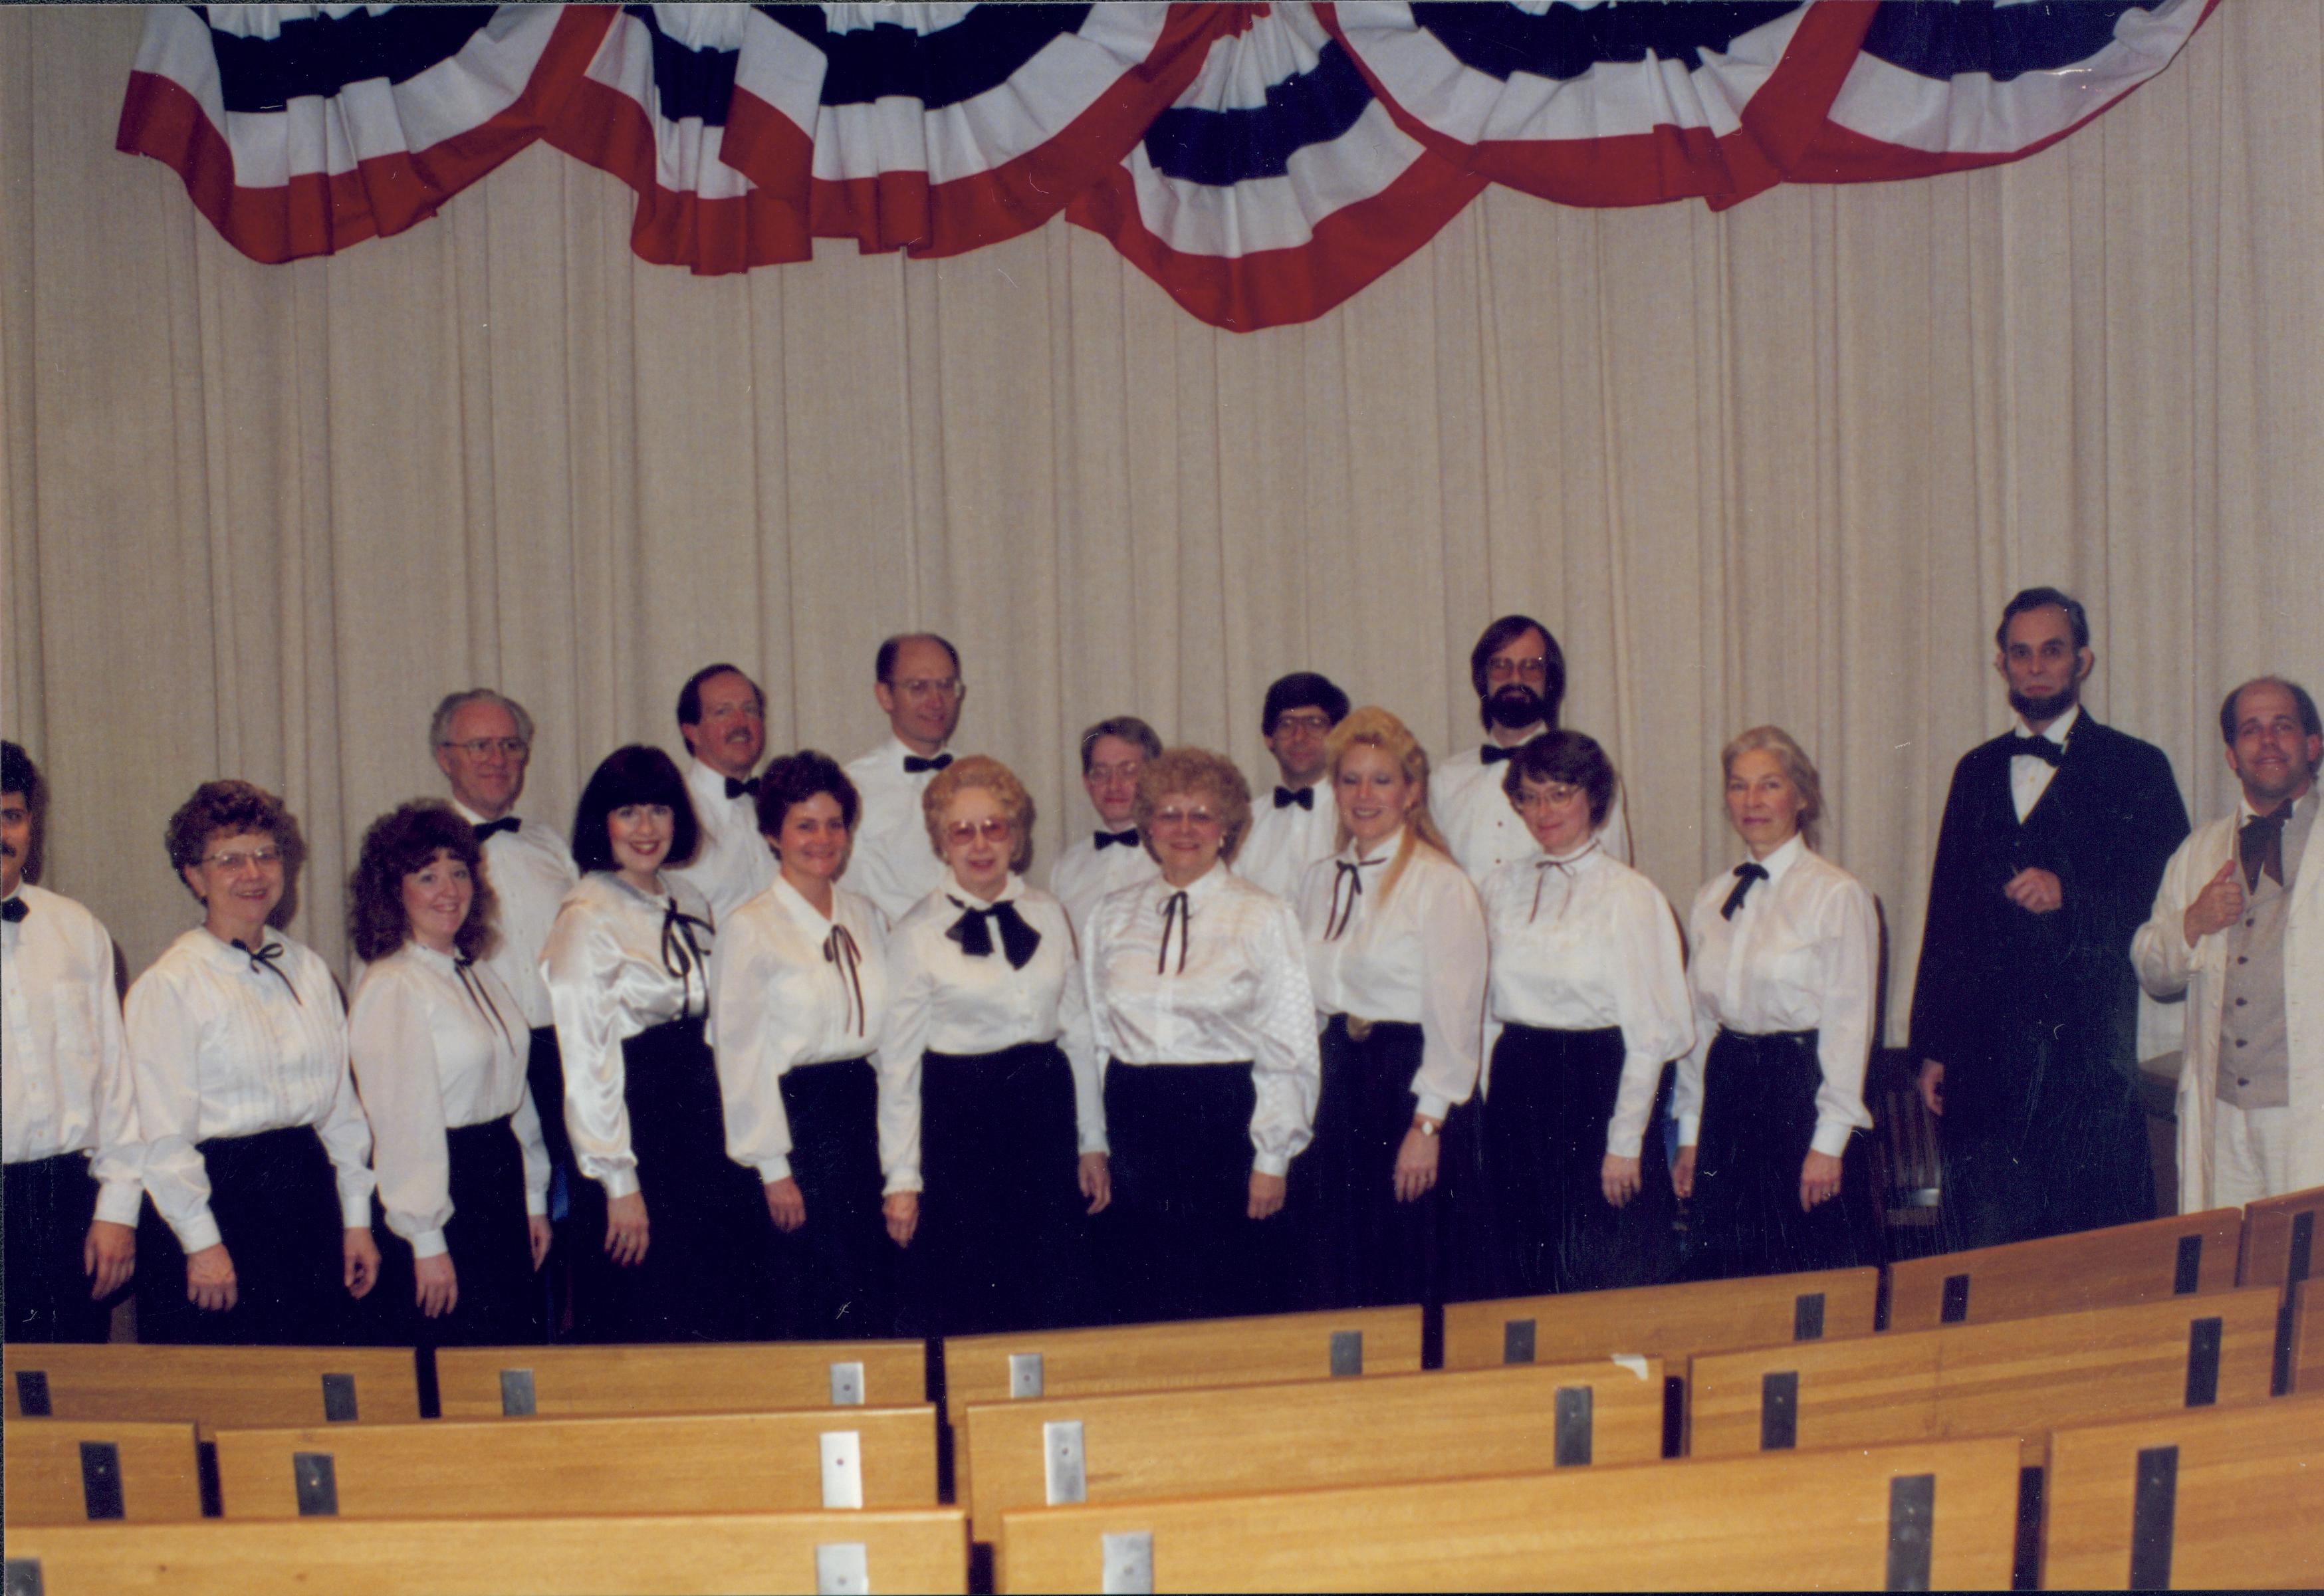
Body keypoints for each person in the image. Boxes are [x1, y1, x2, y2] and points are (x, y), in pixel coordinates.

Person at [1911, 587, 2188, 1249]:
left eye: (2052, 651)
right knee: (1984, 1254)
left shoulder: (2138, 767)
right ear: (2001, 666)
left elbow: (2172, 903)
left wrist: (2075, 895)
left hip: (2088, 1060)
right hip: (1983, 1061)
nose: (2035, 666)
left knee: (2094, 1254)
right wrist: (1931, 1046)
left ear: (2082, 661)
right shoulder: (1973, 771)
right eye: (2020, 653)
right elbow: (1945, 914)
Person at [128, 780, 380, 1344]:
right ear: (194, 876)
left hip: (306, 1193)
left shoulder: (309, 969)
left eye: (266, 854)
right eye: (230, 859)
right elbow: (160, 1135)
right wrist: (202, 1242)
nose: (253, 873)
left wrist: (357, 1220)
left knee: (315, 1379)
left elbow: (342, 1112)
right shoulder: (169, 984)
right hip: (220, 1204)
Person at [1082, 747, 1320, 1323]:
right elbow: (1093, 1038)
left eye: (1202, 814)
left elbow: (1289, 1043)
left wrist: (1273, 1157)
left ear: (1227, 828)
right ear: (1147, 826)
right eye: (1168, 813)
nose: (1184, 828)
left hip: (1227, 1119)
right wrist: (1095, 1140)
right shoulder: (1110, 916)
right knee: (1143, 1291)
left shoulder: (1264, 915)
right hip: (1136, 1117)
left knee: (1231, 1293)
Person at [542, 745, 765, 1341]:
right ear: (603, 822)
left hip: (701, 1121)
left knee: (713, 1298)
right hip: (638, 1129)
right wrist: (619, 1183)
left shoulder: (688, 898)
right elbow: (587, 1061)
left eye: (660, 811)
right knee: (647, 1306)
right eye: (629, 813)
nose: (647, 829)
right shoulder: (587, 914)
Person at [887, 756, 1109, 1333]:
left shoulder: (1048, 913)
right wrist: (902, 1179)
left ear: (1016, 834)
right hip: (959, 1117)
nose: (980, 843)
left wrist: (1092, 1141)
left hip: (1042, 1107)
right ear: (941, 842)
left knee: (1051, 1278)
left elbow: (1079, 1033)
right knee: (973, 1288)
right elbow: (900, 1068)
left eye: (994, 826)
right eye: (962, 830)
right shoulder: (915, 933)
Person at [1478, 731, 1691, 1296]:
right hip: (1518, 1078)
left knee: (1604, 1262)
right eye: (1529, 796)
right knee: (1523, 1259)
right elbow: (1483, 1009)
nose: (1543, 811)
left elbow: (1650, 1033)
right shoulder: (1500, 885)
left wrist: (1624, 1142)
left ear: (1593, 798)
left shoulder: (1630, 895)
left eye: (1560, 794)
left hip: (1597, 1082)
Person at [1288, 708, 1484, 1311]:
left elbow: (1455, 1021)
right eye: (1350, 779)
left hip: (1410, 1086)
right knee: (1338, 1259)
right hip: (1338, 1081)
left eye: (1381, 780)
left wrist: (1427, 1126)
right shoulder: (1319, 880)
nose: (1364, 795)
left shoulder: (1440, 883)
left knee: (1411, 1259)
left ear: (1412, 792)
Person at [716, 752, 912, 1339]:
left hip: (864, 1110)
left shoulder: (866, 915)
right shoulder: (749, 926)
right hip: (797, 1122)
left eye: (834, 823)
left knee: (872, 1280)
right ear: (773, 834)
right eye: (805, 824)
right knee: (809, 1286)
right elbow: (739, 1053)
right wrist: (773, 1167)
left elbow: (889, 1034)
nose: (823, 839)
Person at [1674, 728, 1880, 1281]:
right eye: (1739, 786)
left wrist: (1829, 1142)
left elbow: (1849, 1023)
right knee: (1729, 1272)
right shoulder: (1712, 897)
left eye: (1769, 784)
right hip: (1731, 1087)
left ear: (1802, 796)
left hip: (1800, 1090)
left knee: (1811, 1271)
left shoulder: (1836, 895)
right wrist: (1691, 1134)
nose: (1752, 800)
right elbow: (1698, 1020)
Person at [347, 800, 552, 1345]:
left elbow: (516, 1094)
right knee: (460, 1361)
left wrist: (533, 1197)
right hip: (444, 1187)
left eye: (459, 872)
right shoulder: (393, 984)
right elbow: (401, 1126)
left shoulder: (475, 969)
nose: (449, 890)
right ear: (394, 890)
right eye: (427, 875)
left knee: (511, 1352)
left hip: (497, 1176)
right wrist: (427, 1239)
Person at [2133, 677, 2322, 1208]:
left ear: (2312, 744)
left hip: (2309, 1110)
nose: (2267, 740)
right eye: (2251, 729)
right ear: (2231, 755)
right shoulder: (2198, 850)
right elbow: (2150, 967)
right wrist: (2191, 924)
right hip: (2220, 1112)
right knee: (2228, 1270)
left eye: (2283, 726)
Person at [429, 687, 578, 1337]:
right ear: (444, 757)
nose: (497, 758)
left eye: (509, 744)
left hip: (564, 1051)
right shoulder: (424, 850)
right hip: (486, 1060)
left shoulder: (550, 844)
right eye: (479, 745)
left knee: (576, 1216)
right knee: (512, 1221)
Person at [3, 741, 142, 1341]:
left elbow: (116, 1081)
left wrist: (116, 1209)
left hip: (65, 1201)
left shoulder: (78, 929)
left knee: (70, 1396)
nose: (2, 833)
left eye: (11, 815)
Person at [1435, 616, 1631, 881]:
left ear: (1549, 681)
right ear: (1483, 679)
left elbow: (1612, 879)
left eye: (1531, 668)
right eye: (1501, 666)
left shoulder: (1587, 772)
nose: (1515, 679)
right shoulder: (1444, 781)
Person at [843, 634, 968, 923]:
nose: (936, 701)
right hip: (894, 959)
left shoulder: (980, 780)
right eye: (919, 687)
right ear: (885, 696)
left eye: (946, 685)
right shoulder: (852, 787)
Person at [666, 663, 775, 925]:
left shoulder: (779, 806)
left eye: (750, 710)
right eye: (723, 712)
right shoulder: (671, 813)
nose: (741, 723)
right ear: (692, 732)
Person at [1235, 673, 1349, 901]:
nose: (1299, 737)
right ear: (1269, 739)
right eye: (1287, 724)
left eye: (1314, 724)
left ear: (1338, 736)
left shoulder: (1357, 816)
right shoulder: (1246, 821)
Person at [1048, 716, 1163, 936]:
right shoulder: (1066, 867)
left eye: (1128, 772)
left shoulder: (1175, 858)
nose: (1113, 785)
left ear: (1154, 778)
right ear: (1087, 783)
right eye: (1100, 773)